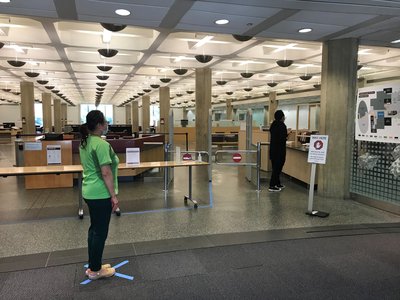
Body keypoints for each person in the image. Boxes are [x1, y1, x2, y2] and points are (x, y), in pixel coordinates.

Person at [79, 110, 119, 280]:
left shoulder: (86, 141)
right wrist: (114, 196)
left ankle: (94, 264)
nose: (107, 124)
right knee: (100, 232)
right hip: (100, 194)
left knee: (94, 230)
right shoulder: (101, 144)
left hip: (89, 191)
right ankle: (95, 271)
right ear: (100, 125)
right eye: (105, 121)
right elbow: (106, 172)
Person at [269, 110, 288, 192]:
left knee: (275, 167)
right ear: (281, 117)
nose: (284, 118)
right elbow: (282, 139)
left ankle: (277, 183)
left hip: (273, 150)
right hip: (279, 151)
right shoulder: (282, 126)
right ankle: (272, 185)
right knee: (277, 168)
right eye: (283, 116)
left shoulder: (273, 125)